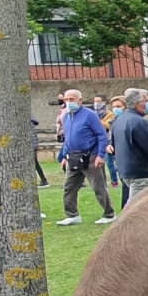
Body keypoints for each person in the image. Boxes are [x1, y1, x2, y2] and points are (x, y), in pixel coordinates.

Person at [55, 88, 115, 225]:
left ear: (80, 100)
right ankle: (72, 214)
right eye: (67, 99)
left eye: (72, 99)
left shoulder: (90, 115)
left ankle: (109, 213)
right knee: (69, 187)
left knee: (98, 186)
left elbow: (102, 135)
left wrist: (100, 155)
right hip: (73, 156)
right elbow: (67, 138)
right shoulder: (66, 116)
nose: (69, 102)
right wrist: (64, 156)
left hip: (90, 156)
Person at [110, 88, 148, 206]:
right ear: (138, 104)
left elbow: (114, 145)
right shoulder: (138, 122)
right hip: (139, 171)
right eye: (146, 101)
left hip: (125, 170)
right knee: (136, 208)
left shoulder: (119, 120)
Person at [103, 96, 124, 187]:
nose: (116, 109)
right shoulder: (114, 121)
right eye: (114, 107)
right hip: (115, 152)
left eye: (119, 106)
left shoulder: (130, 120)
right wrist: (110, 145)